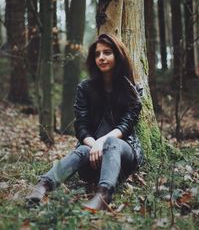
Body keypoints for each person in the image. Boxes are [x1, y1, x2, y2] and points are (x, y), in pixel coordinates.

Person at [26, 33, 144, 211]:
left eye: (107, 52)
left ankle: (104, 194)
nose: (101, 58)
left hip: (123, 156)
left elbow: (126, 126)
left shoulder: (131, 90)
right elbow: (81, 127)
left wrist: (102, 142)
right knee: (82, 148)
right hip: (92, 159)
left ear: (118, 56)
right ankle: (43, 186)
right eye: (97, 54)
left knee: (112, 142)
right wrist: (94, 144)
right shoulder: (85, 88)